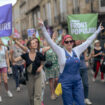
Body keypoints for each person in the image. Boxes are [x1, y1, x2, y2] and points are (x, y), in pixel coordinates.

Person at [38, 19, 104, 105]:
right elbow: (50, 41)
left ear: (73, 42)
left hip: (77, 82)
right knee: (68, 103)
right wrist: (43, 27)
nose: (69, 43)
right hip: (65, 83)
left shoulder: (77, 50)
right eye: (66, 41)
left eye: (71, 41)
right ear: (63, 43)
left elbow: (88, 41)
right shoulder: (60, 51)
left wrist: (98, 30)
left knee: (80, 102)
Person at [10, 38, 45, 105]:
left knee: (37, 96)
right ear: (29, 46)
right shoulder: (25, 55)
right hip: (29, 77)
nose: (35, 44)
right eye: (33, 43)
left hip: (38, 76)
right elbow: (14, 61)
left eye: (36, 42)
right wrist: (11, 55)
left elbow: (43, 61)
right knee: (31, 96)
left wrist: (41, 67)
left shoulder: (39, 54)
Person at [44, 32, 60, 100]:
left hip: (56, 65)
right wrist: (52, 39)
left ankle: (55, 90)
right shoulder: (46, 47)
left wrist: (54, 38)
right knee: (51, 80)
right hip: (49, 65)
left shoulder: (55, 45)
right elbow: (44, 49)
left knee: (56, 79)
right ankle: (52, 93)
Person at [0, 38, 13, 102]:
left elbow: (7, 58)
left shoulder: (4, 48)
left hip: (3, 65)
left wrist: (8, 67)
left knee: (5, 81)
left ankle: (7, 91)